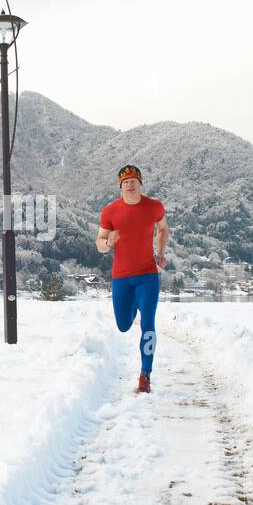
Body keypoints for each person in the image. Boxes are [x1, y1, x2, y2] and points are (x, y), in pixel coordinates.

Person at [95, 164, 168, 393]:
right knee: (124, 325)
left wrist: (161, 253)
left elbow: (163, 229)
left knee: (148, 324)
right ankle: (134, 304)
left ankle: (145, 375)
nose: (130, 184)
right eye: (125, 181)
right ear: (120, 186)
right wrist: (109, 242)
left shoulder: (154, 207)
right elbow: (99, 245)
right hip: (121, 278)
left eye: (134, 180)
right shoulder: (110, 212)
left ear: (140, 183)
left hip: (147, 276)